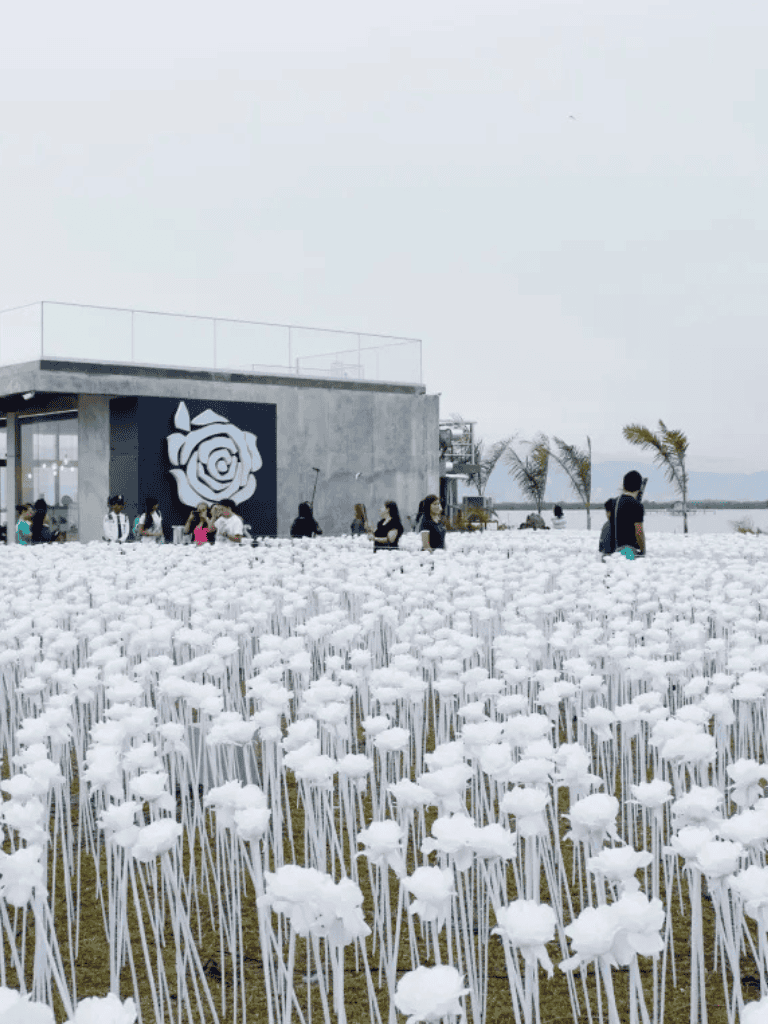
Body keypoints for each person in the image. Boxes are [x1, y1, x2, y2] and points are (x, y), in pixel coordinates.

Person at [612, 470, 646, 559]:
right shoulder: (637, 505)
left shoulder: (615, 502)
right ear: (639, 486)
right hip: (629, 551)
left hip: (615, 551)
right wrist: (643, 550)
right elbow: (639, 531)